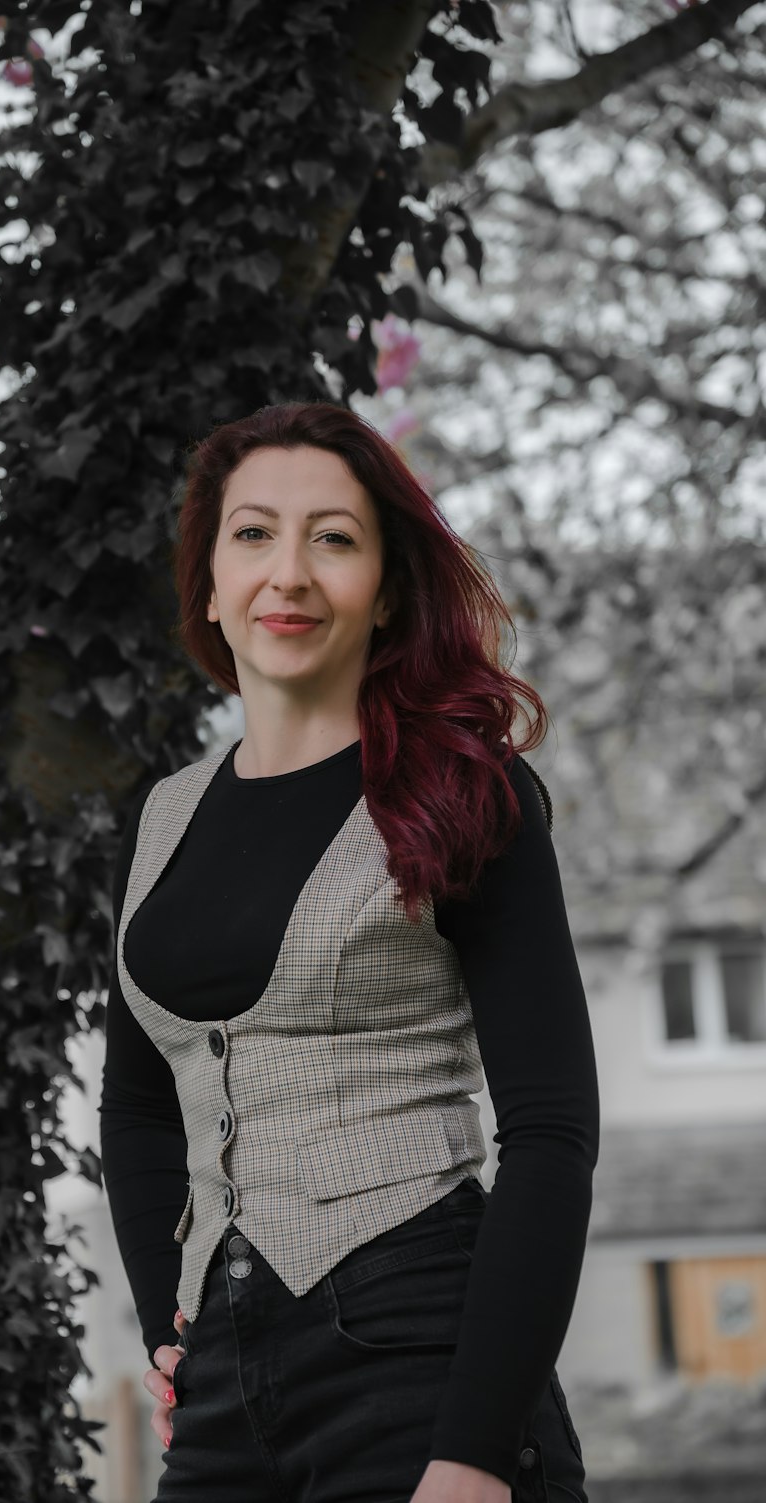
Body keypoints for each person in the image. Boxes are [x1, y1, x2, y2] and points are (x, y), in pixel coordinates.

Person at [99, 400, 600, 1503]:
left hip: (419, 1359)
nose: (289, 573)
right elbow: (137, 1106)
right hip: (223, 1383)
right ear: (212, 584)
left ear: (384, 593)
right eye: (253, 535)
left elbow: (552, 1134)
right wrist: (160, 1322)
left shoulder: (468, 795)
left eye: (332, 538)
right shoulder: (161, 820)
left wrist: (472, 1452)